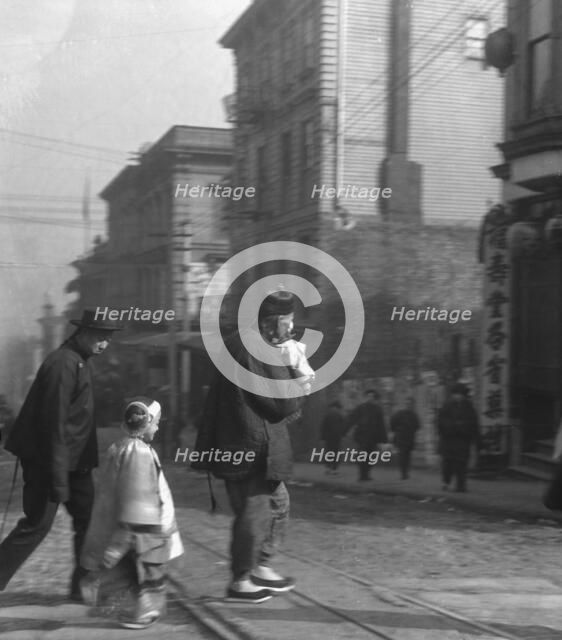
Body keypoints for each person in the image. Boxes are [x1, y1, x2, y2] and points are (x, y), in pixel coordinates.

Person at [193, 290, 309, 604]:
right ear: (276, 321)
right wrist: (299, 376)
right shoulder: (255, 348)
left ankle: (260, 565)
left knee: (278, 505)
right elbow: (281, 404)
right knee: (256, 511)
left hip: (248, 442)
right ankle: (241, 579)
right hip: (251, 446)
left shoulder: (246, 342)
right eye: (289, 320)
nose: (292, 325)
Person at [0, 309, 122, 600]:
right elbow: (53, 425)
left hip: (74, 464)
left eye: (109, 338)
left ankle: (82, 588)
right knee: (36, 525)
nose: (105, 344)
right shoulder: (62, 364)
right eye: (101, 337)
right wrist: (57, 480)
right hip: (49, 462)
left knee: (89, 522)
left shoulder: (77, 361)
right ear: (83, 332)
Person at [80, 397, 183, 629]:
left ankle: (128, 608)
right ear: (145, 424)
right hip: (143, 527)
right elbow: (138, 495)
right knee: (144, 570)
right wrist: (141, 529)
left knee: (129, 570)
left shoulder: (122, 447)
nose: (157, 427)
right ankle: (142, 612)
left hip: (130, 524)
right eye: (155, 423)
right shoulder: (139, 453)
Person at [437, 382, 481, 492]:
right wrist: (453, 426)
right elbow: (440, 422)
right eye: (456, 394)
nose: (458, 396)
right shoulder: (446, 406)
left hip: (463, 441)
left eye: (461, 394)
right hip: (449, 441)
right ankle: (446, 482)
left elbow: (473, 424)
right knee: (448, 464)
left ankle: (461, 486)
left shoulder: (469, 407)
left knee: (462, 463)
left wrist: (477, 441)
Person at [347, 389, 388, 481]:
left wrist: (383, 439)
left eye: (372, 397)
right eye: (368, 396)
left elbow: (381, 424)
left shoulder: (378, 409)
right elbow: (352, 419)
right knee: (361, 456)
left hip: (373, 437)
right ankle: (362, 475)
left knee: (372, 457)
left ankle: (367, 474)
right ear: (366, 397)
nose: (370, 398)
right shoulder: (361, 408)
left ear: (374, 398)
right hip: (362, 437)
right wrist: (346, 429)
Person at [390, 398, 421, 480]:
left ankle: (406, 472)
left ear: (412, 405)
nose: (408, 405)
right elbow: (392, 423)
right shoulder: (399, 414)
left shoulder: (414, 415)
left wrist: (412, 432)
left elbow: (417, 426)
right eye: (407, 404)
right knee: (402, 456)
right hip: (401, 438)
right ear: (405, 404)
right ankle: (403, 473)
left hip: (410, 438)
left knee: (407, 456)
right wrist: (397, 431)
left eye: (410, 404)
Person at [320, 401, 346, 474]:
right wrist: (343, 435)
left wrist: (323, 438)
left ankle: (330, 468)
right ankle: (332, 468)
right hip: (334, 438)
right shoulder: (338, 416)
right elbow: (324, 427)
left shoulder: (329, 416)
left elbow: (323, 428)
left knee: (331, 452)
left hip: (332, 438)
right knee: (334, 453)